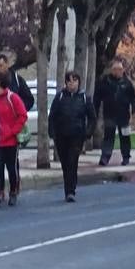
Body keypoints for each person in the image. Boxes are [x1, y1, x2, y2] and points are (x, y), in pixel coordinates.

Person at [0, 71, 28, 207]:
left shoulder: (12, 97)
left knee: (12, 169)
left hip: (10, 141)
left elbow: (22, 115)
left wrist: (12, 131)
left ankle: (13, 192)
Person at [50, 71, 91, 201]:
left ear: (78, 82)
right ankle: (67, 188)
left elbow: (92, 117)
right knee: (65, 163)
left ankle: (70, 191)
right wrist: (52, 132)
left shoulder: (84, 98)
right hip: (61, 136)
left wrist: (88, 133)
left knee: (72, 162)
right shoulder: (60, 97)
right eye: (69, 81)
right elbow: (52, 116)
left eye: (74, 81)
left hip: (77, 136)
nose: (72, 84)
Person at [96, 57, 135, 166]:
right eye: (115, 69)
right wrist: (94, 111)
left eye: (120, 69)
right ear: (111, 70)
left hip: (124, 116)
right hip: (109, 114)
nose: (118, 71)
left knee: (125, 137)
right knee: (108, 137)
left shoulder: (127, 83)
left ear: (123, 70)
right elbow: (97, 97)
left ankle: (126, 157)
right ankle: (105, 157)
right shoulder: (105, 82)